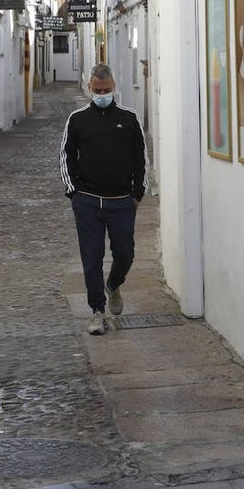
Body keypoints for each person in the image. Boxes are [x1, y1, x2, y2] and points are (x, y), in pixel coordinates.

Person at [60, 64, 147, 335]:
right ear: (89, 88)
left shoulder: (129, 118)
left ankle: (114, 283)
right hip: (87, 202)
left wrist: (137, 193)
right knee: (91, 257)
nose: (102, 95)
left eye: (106, 90)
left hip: (122, 201)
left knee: (125, 253)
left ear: (114, 87)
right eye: (97, 91)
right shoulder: (77, 119)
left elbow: (141, 158)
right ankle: (97, 311)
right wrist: (73, 192)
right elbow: (66, 156)